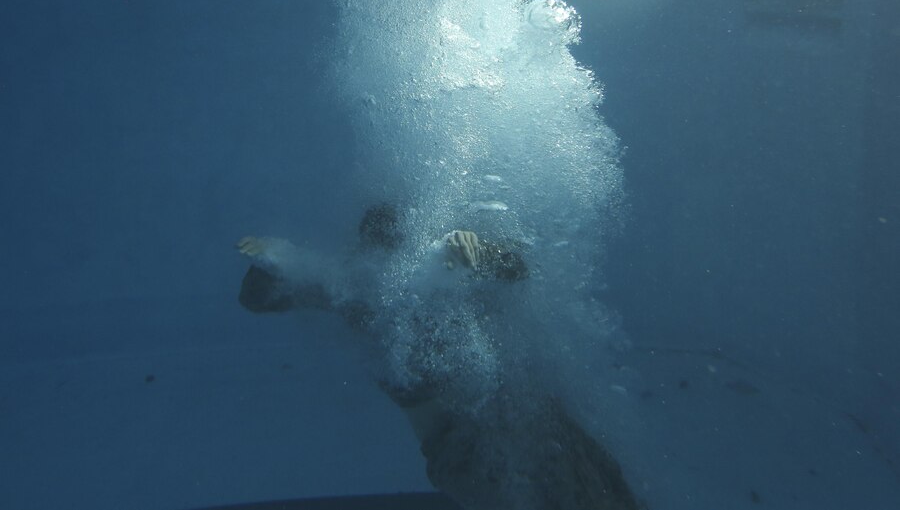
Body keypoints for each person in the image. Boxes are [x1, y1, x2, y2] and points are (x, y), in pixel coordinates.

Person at [236, 204, 642, 510]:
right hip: (457, 447)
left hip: (522, 413)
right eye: (376, 245)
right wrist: (275, 260)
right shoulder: (354, 293)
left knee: (602, 488)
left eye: (394, 241)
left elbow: (518, 268)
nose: (386, 255)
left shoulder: (443, 266)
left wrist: (483, 250)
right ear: (364, 250)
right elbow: (256, 299)